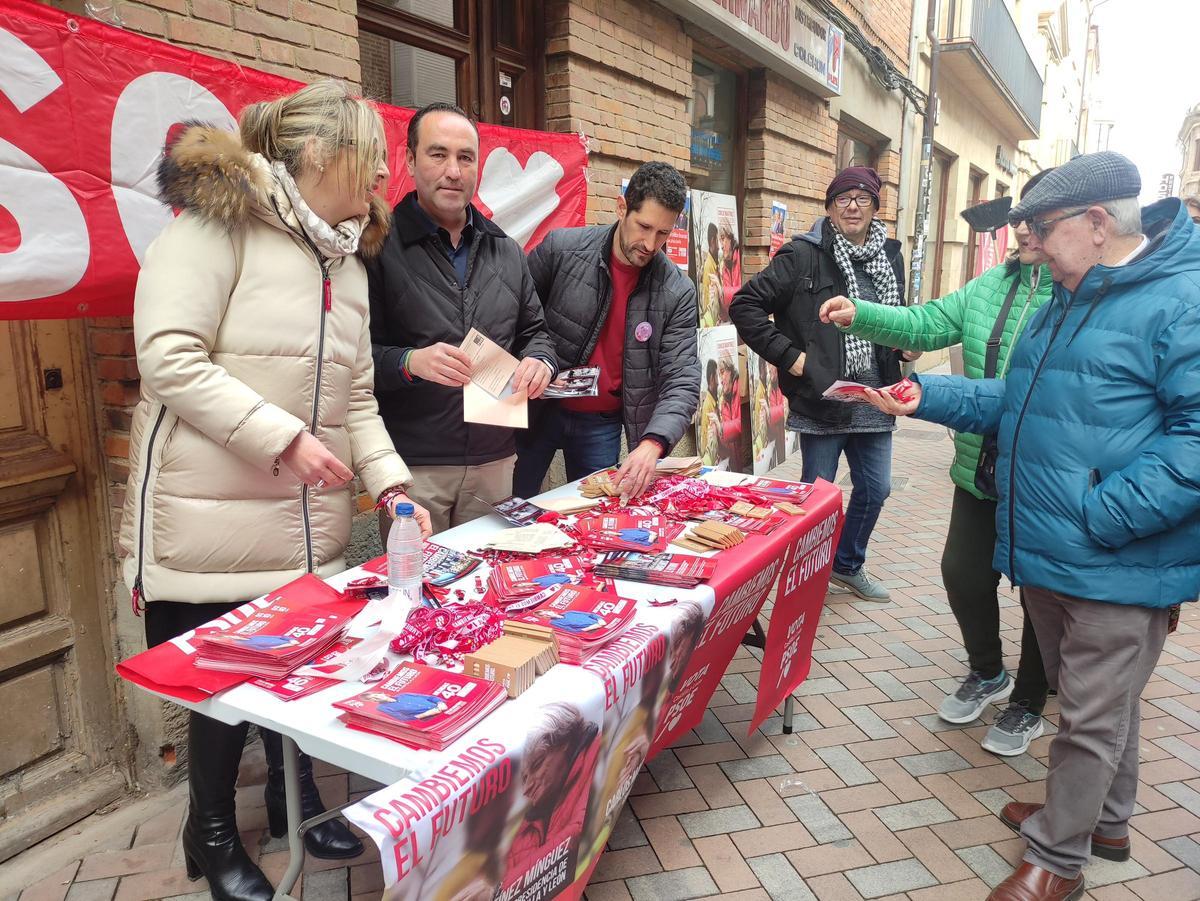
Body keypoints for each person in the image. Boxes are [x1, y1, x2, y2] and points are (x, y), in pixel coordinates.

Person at [121, 81, 432, 901]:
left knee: (288, 678)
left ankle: (294, 801)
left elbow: (354, 398)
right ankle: (211, 833)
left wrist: (391, 484)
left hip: (301, 523)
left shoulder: (347, 262)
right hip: (206, 516)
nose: (381, 184)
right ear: (324, 156)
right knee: (221, 693)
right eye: (373, 163)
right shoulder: (220, 224)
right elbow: (169, 357)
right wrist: (283, 438)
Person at [863, 152, 1200, 901]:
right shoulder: (1065, 291)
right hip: (1053, 549)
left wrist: (1102, 514)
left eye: (1042, 229)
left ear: (1097, 222)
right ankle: (1102, 821)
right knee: (1103, 703)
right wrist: (928, 396)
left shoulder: (1184, 296)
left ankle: (1058, 857)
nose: (1033, 246)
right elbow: (1017, 397)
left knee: (1086, 714)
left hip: (1115, 553)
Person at [819, 170, 1056, 757]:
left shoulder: (1077, 297)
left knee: (1039, 598)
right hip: (977, 465)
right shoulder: (989, 286)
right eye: (1021, 214)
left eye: (1039, 217)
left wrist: (931, 396)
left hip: (1041, 478)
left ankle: (1028, 699)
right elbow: (926, 321)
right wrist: (863, 315)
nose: (1024, 227)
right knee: (963, 573)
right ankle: (987, 671)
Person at [368, 101, 557, 535]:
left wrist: (540, 362)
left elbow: (536, 333)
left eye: (465, 157)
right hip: (415, 467)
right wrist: (410, 362)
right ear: (410, 161)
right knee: (418, 590)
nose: (453, 170)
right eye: (438, 154)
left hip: (495, 459)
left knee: (489, 587)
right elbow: (354, 358)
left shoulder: (506, 250)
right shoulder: (377, 247)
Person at [730, 166, 913, 601]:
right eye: (844, 198)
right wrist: (791, 358)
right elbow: (746, 305)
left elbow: (899, 315)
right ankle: (805, 579)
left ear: (874, 206)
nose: (853, 206)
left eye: (863, 198)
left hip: (876, 396)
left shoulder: (890, 255)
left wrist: (907, 347)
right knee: (817, 499)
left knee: (876, 488)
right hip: (822, 396)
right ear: (829, 206)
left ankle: (848, 564)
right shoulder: (802, 254)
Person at [514, 161, 700, 501]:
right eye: (643, 226)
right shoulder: (561, 249)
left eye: (663, 233)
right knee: (512, 505)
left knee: (594, 515)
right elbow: (515, 313)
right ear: (621, 208)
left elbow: (683, 380)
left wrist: (653, 442)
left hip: (599, 424)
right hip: (535, 409)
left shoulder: (677, 290)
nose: (650, 243)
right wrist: (527, 362)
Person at [699, 222, 722, 327]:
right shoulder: (709, 266)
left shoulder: (714, 263)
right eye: (718, 240)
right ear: (713, 241)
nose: (719, 247)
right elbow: (707, 302)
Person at [718, 222, 742, 316]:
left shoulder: (741, 258)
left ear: (731, 238)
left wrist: (722, 291)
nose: (721, 246)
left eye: (723, 239)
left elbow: (745, 291)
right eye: (720, 241)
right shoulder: (724, 267)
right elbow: (726, 311)